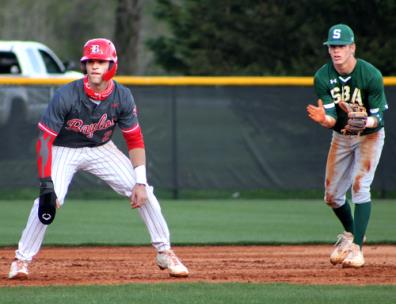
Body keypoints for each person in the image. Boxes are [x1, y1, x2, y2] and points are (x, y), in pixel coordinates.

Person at [8, 38, 189, 279]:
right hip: (64, 149)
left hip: (102, 148)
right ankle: (21, 261)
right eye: (90, 61)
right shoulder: (66, 95)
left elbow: (134, 140)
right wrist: (46, 185)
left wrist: (140, 181)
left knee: (145, 192)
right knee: (47, 201)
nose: (95, 66)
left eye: (101, 61)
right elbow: (43, 141)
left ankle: (165, 251)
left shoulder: (122, 96)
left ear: (111, 65)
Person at [306, 24, 388, 268]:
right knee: (331, 196)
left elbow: (379, 118)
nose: (336, 50)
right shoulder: (323, 76)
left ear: (352, 47)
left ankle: (357, 251)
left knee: (360, 186)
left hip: (369, 136)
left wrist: (365, 121)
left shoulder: (370, 74)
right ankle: (353, 235)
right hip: (341, 136)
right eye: (332, 46)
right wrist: (324, 120)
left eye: (341, 46)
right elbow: (331, 115)